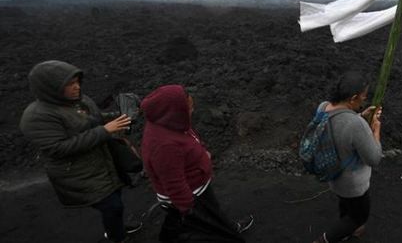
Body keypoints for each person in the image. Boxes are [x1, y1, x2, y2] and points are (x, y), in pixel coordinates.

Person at [19, 60, 142, 243]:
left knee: (115, 201)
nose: (76, 87)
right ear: (50, 88)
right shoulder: (38, 117)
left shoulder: (80, 100)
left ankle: (116, 230)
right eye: (70, 84)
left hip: (102, 162)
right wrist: (105, 131)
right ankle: (117, 237)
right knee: (112, 206)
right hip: (78, 173)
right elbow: (58, 148)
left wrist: (120, 118)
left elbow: (96, 119)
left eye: (77, 81)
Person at [140, 84, 253, 243]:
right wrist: (190, 210)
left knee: (211, 213)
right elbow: (174, 184)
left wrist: (202, 153)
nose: (192, 111)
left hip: (197, 187)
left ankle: (223, 226)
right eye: (189, 108)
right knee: (203, 225)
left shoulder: (168, 123)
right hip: (191, 194)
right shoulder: (164, 145)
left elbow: (190, 139)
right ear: (174, 112)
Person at [312, 71, 383, 243]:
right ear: (353, 98)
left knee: (345, 205)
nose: (364, 101)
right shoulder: (355, 125)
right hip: (353, 184)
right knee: (359, 217)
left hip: (333, 175)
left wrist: (360, 116)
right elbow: (374, 158)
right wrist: (375, 131)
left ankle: (346, 229)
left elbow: (339, 128)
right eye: (363, 97)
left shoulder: (323, 107)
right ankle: (324, 240)